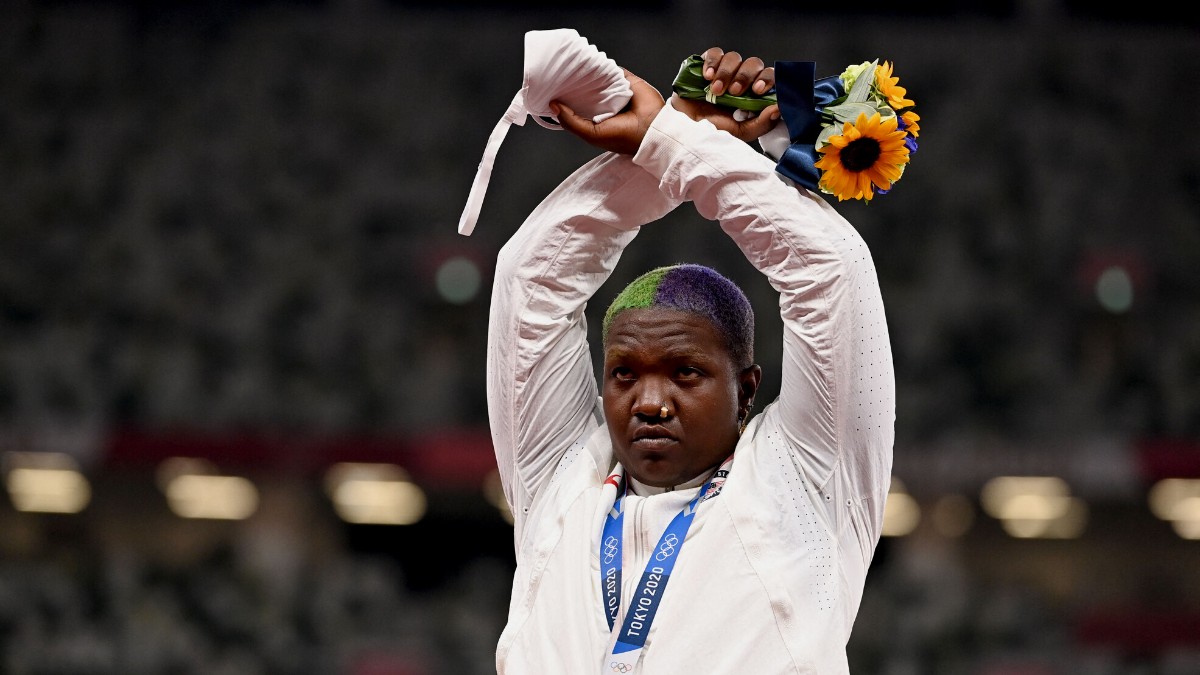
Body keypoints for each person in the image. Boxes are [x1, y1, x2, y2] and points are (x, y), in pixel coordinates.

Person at [486, 48, 895, 675]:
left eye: (686, 373)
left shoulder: (806, 480)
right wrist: (673, 141)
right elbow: (532, 279)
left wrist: (671, 143)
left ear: (747, 389)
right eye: (625, 375)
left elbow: (830, 272)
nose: (650, 402)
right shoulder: (560, 476)